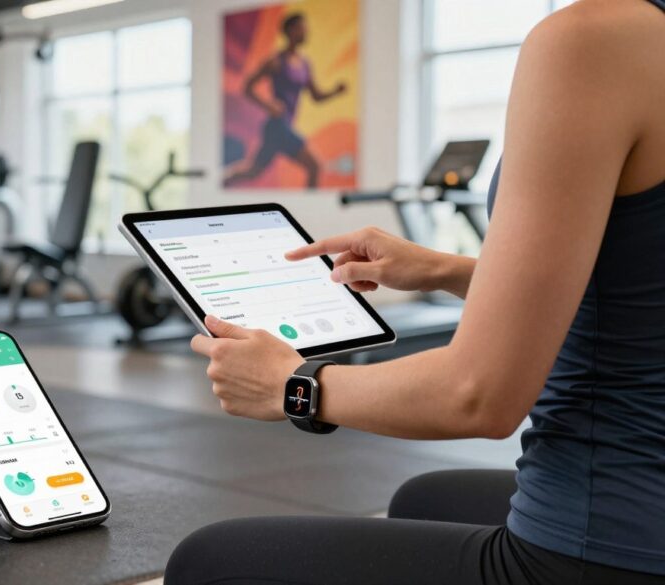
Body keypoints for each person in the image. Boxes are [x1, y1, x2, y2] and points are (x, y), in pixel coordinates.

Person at [167, 0, 665, 582]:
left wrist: (292, 384)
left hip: (604, 541)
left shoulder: (593, 39)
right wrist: (442, 269)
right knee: (425, 498)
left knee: (207, 561)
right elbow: (635, 291)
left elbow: (477, 395)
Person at [225, 12, 347, 190]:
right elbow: (248, 87)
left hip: (284, 126)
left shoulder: (305, 64)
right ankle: (310, 208)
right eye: (302, 28)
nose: (306, 32)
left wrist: (335, 92)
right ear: (290, 31)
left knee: (253, 171)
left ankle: (223, 180)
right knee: (314, 166)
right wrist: (268, 105)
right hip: (278, 126)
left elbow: (316, 96)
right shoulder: (276, 61)